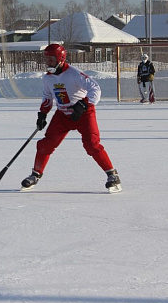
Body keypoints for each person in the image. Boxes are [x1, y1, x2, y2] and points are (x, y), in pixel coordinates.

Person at [21, 43, 121, 193]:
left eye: (51, 60)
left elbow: (95, 89)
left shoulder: (74, 74)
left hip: (83, 114)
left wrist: (83, 105)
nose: (48, 63)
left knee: (91, 145)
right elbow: (48, 96)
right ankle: (35, 174)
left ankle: (112, 175)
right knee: (45, 144)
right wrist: (42, 114)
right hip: (62, 115)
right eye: (47, 60)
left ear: (61, 59)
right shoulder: (48, 78)